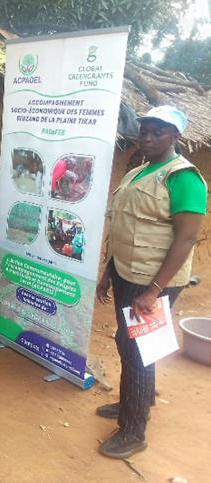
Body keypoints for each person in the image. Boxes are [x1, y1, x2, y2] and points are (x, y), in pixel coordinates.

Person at [96, 106, 207, 459]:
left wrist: (154, 291)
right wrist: (107, 272)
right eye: (144, 130)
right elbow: (125, 225)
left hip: (152, 281)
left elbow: (186, 238)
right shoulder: (141, 171)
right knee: (129, 341)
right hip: (127, 272)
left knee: (138, 349)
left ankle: (133, 430)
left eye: (157, 131)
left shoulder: (183, 177)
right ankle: (137, 399)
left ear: (175, 136)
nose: (147, 137)